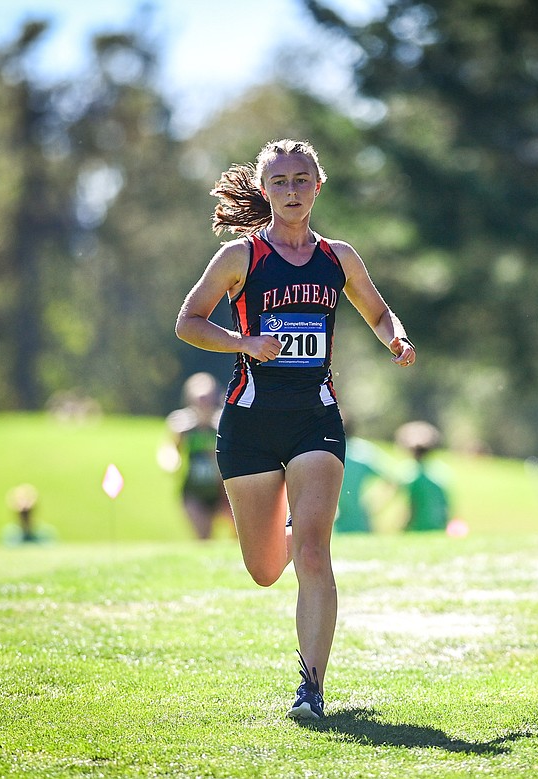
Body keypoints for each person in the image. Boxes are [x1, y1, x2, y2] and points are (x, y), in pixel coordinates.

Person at [175, 138, 416, 721]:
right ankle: (291, 518)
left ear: (318, 185)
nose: (291, 190)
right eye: (279, 181)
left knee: (313, 553)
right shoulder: (241, 257)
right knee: (264, 570)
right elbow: (188, 321)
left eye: (300, 179)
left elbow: (379, 311)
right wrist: (243, 342)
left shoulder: (339, 258)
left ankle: (311, 688)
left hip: (316, 419)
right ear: (264, 190)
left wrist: (396, 339)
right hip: (250, 425)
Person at [162, 372, 232, 540]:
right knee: (204, 537)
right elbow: (169, 449)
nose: (203, 404)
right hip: (194, 491)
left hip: (223, 490)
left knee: (240, 535)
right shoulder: (181, 425)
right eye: (199, 399)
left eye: (207, 398)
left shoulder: (222, 423)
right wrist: (172, 462)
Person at [334, 425, 395, 533]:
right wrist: (376, 505)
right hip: (360, 520)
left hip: (334, 520)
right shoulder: (363, 452)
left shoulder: (328, 452)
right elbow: (391, 480)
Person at [395, 421, 451, 532]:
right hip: (438, 527)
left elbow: (412, 506)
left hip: (417, 527)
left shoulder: (411, 475)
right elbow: (445, 506)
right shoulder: (440, 473)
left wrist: (403, 526)